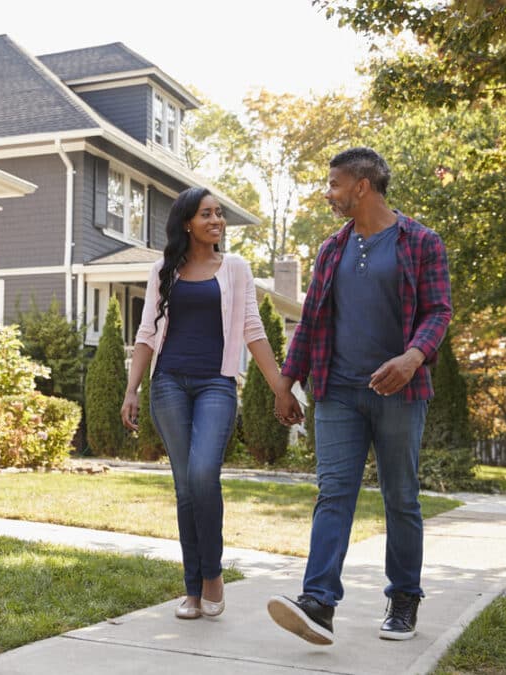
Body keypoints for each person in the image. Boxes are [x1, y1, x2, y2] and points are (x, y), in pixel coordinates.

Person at [266, 147, 452, 645]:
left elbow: (438, 311)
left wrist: (413, 357)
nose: (329, 194)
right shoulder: (332, 249)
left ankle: (404, 597)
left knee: (401, 498)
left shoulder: (421, 242)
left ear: (361, 186)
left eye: (334, 185)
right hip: (338, 391)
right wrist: (287, 380)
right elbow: (311, 321)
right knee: (333, 495)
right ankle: (319, 602)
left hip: (400, 391)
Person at [121, 186, 301, 620]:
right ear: (187, 222)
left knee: (204, 474)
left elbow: (252, 329)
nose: (217, 220)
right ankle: (192, 590)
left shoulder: (235, 268)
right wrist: (132, 389)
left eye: (219, 214)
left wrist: (281, 386)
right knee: (185, 487)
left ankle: (212, 575)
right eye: (207, 214)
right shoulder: (164, 270)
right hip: (168, 385)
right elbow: (147, 333)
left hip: (216, 384)